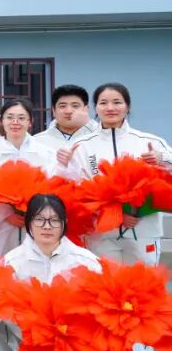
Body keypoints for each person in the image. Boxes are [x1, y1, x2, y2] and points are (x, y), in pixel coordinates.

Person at [2, 194, 140, 351]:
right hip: (38, 332)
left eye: (54, 220)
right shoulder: (12, 261)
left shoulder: (85, 260)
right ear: (28, 223)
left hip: (80, 331)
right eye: (39, 219)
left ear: (64, 223)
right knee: (25, 342)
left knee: (110, 338)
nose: (47, 227)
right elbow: (2, 301)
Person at [69, 83, 172, 265]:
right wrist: (114, 214)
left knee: (142, 280)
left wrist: (161, 158)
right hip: (100, 234)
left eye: (117, 102)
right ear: (95, 107)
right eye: (103, 103)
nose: (110, 108)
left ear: (127, 106)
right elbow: (76, 188)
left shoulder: (149, 141)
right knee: (105, 279)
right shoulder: (82, 146)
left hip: (143, 231)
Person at [0, 99, 76, 264]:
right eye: (10, 117)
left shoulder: (45, 153)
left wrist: (35, 213)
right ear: (2, 121)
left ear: (30, 122)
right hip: (0, 225)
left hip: (36, 221)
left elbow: (55, 184)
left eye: (21, 118)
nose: (15, 122)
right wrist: (6, 215)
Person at [33, 84, 99, 149]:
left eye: (75, 106)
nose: (68, 111)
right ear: (54, 111)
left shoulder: (100, 137)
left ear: (86, 109)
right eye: (62, 106)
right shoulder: (37, 142)